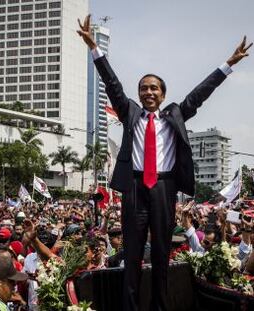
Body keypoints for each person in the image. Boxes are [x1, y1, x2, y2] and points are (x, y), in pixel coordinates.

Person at [77, 14, 252, 311]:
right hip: (134, 186)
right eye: (144, 88)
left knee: (161, 254)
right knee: (132, 255)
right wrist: (95, 48)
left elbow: (199, 94)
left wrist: (228, 65)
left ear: (163, 94)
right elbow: (112, 84)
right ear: (138, 94)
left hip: (163, 186)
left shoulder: (175, 115)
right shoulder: (129, 112)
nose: (148, 92)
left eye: (154, 88)